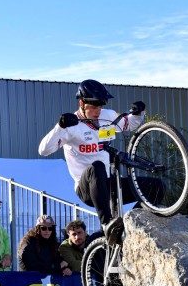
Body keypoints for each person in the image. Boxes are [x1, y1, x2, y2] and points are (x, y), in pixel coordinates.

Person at [38, 79, 147, 239]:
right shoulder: (71, 125)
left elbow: (130, 125)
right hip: (87, 188)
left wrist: (138, 113)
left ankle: (131, 226)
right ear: (82, 103)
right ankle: (107, 223)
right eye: (94, 107)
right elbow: (43, 150)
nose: (98, 111)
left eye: (100, 106)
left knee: (157, 187)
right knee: (97, 167)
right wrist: (60, 127)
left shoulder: (107, 116)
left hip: (108, 184)